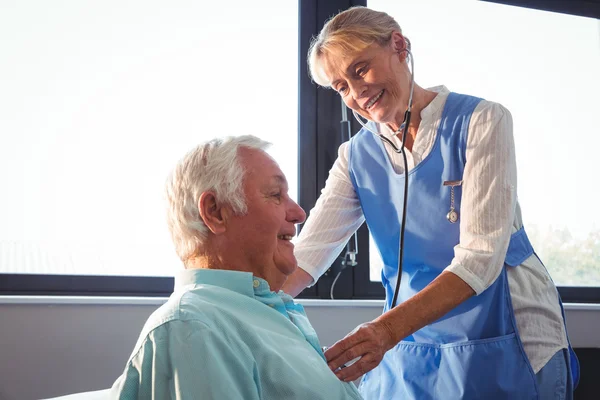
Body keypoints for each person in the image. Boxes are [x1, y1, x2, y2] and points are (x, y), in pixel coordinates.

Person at [282, 6, 579, 400]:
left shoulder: (482, 121)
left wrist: (384, 331)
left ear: (399, 46)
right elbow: (306, 258)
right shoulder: (355, 157)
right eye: (340, 86)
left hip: (509, 335)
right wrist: (235, 307)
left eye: (361, 70)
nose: (356, 94)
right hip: (411, 341)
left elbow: (479, 259)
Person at [110, 135, 362, 400]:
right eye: (276, 195)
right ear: (216, 212)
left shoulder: (263, 313)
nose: (300, 214)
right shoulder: (193, 327)